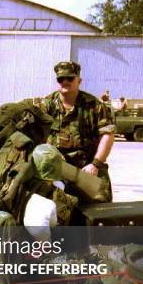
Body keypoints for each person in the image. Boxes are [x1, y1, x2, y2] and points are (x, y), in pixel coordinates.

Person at [39, 61, 115, 202]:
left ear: (79, 80)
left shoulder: (94, 105)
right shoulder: (46, 105)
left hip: (87, 165)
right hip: (57, 167)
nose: (65, 82)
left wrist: (96, 164)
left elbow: (108, 135)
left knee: (101, 201)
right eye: (61, 79)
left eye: (70, 78)